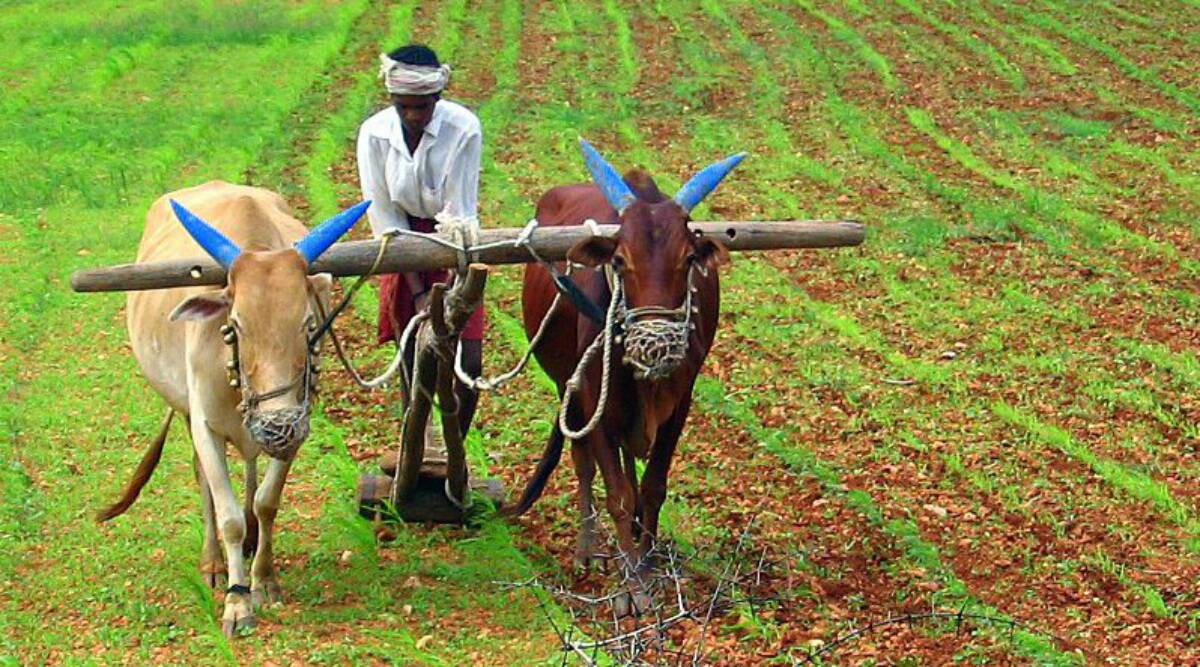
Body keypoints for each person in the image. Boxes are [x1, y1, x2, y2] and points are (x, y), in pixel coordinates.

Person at [357, 44, 485, 445]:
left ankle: (454, 452)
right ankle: (416, 446)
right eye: (404, 107)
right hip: (402, 246)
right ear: (393, 100)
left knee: (468, 361)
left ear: (438, 98)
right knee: (415, 354)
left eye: (423, 107)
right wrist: (417, 294)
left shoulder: (463, 127)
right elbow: (385, 218)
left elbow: (459, 213)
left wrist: (449, 295)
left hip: (454, 244)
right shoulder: (375, 133)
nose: (413, 116)